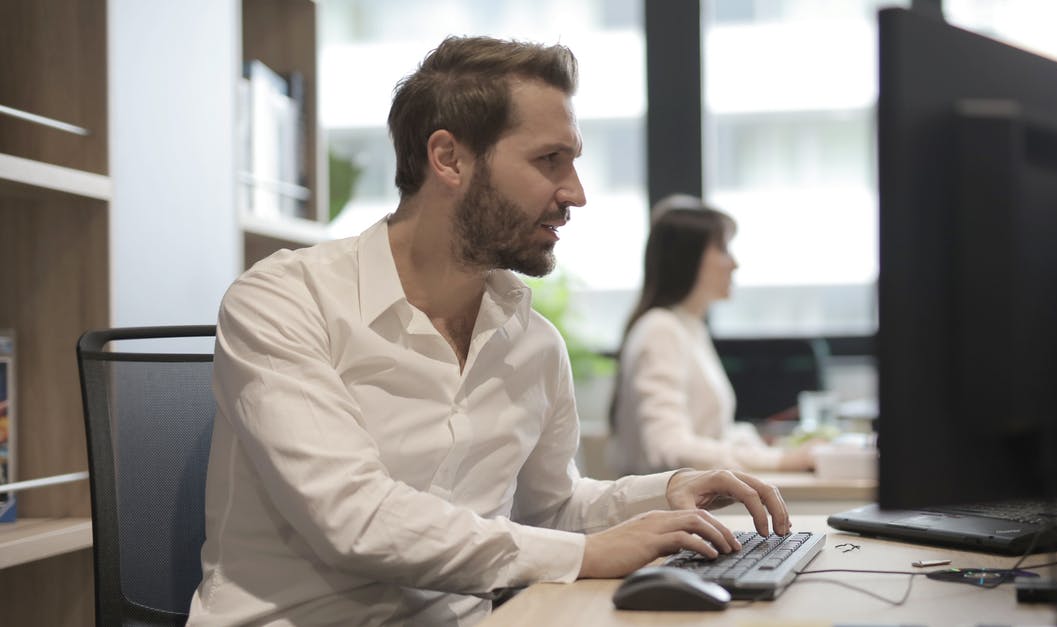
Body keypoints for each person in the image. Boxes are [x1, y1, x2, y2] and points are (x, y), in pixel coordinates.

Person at [187, 36, 791, 626]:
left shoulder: (533, 343)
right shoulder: (284, 300)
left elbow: (551, 509)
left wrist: (669, 494)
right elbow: (356, 519)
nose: (575, 194)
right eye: (548, 160)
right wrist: (586, 555)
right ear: (448, 158)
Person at [608, 195, 821, 476]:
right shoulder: (660, 329)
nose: (734, 263)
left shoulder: (689, 327)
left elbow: (713, 433)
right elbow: (668, 446)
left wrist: (774, 451)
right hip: (672, 510)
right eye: (723, 249)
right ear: (688, 258)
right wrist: (779, 461)